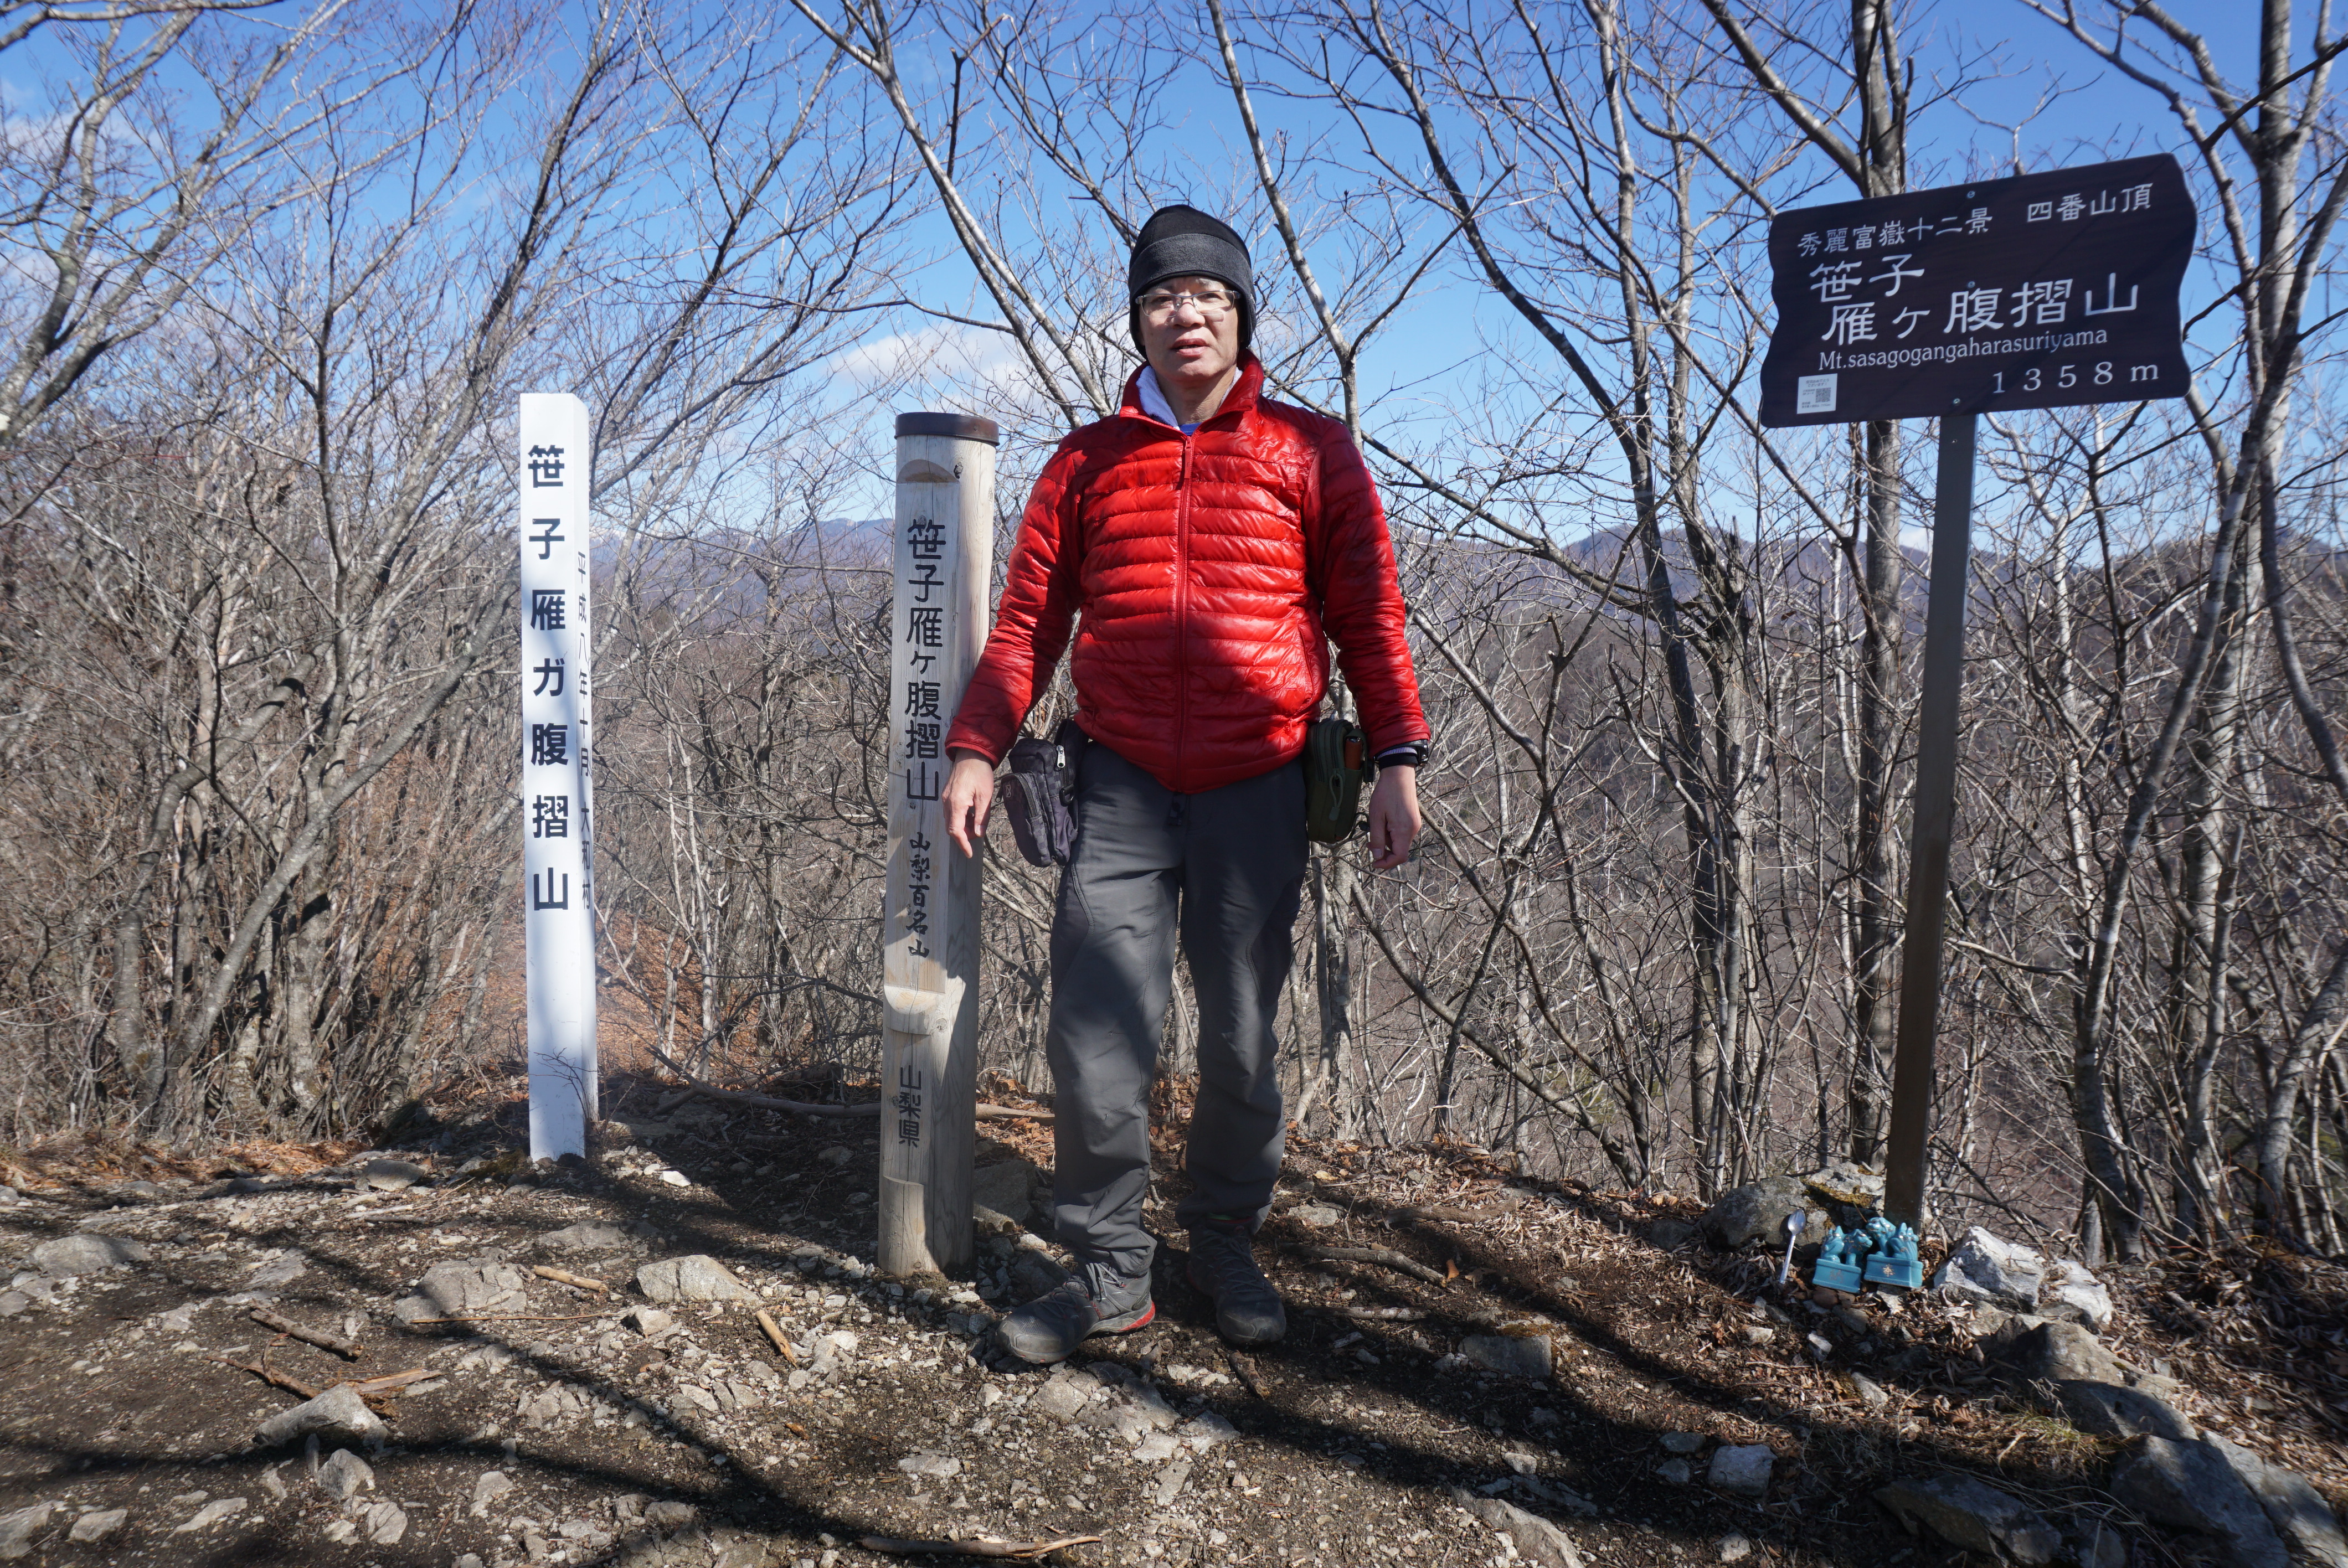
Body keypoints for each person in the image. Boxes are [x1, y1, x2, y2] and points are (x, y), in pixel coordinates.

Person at [939, 205, 1429, 1365]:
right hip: (1114, 782)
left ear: (1240, 315)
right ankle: (1111, 1269)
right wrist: (974, 744)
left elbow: (1369, 615)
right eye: (1162, 298)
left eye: (1207, 296)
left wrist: (1397, 760)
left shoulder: (1310, 451)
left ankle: (1220, 1237)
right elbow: (1026, 626)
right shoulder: (1084, 461)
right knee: (1095, 1040)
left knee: (1243, 1038)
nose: (1184, 314)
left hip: (1258, 782)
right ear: (1138, 321)